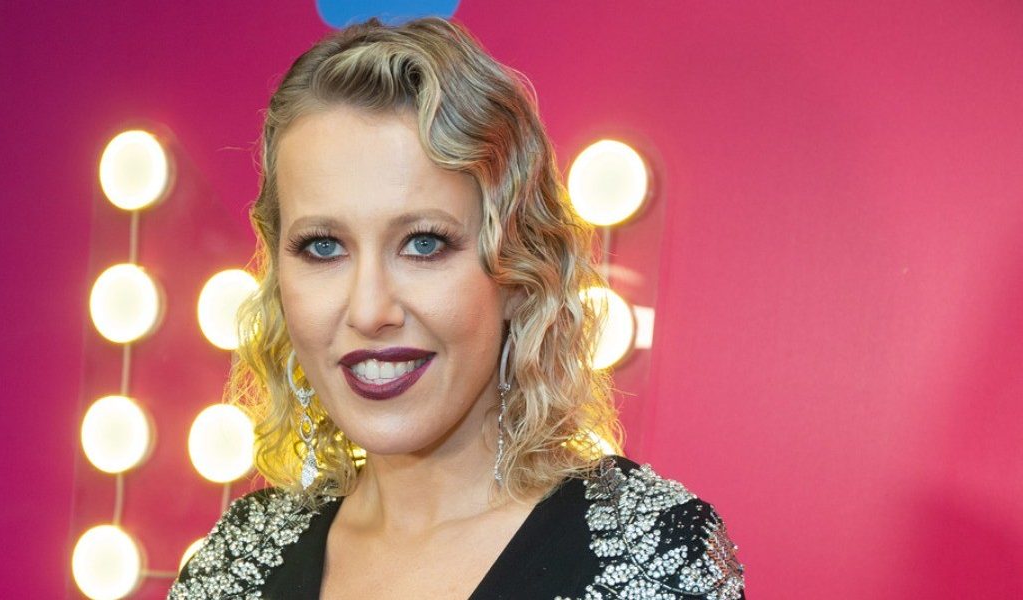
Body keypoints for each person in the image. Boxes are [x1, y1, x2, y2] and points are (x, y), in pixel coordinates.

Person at [169, 16, 744, 600]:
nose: (368, 310)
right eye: (323, 247)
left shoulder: (653, 559)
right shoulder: (235, 560)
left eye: (423, 243)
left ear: (519, 270)